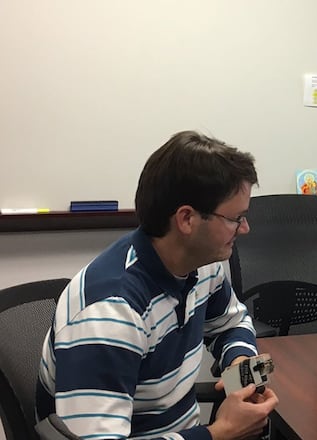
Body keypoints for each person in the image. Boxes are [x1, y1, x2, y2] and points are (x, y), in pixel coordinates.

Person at [36, 131, 279, 439]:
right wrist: (220, 433)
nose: (245, 228)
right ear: (187, 219)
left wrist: (239, 363)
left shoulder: (201, 266)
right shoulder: (110, 313)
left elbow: (231, 323)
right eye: (236, 218)